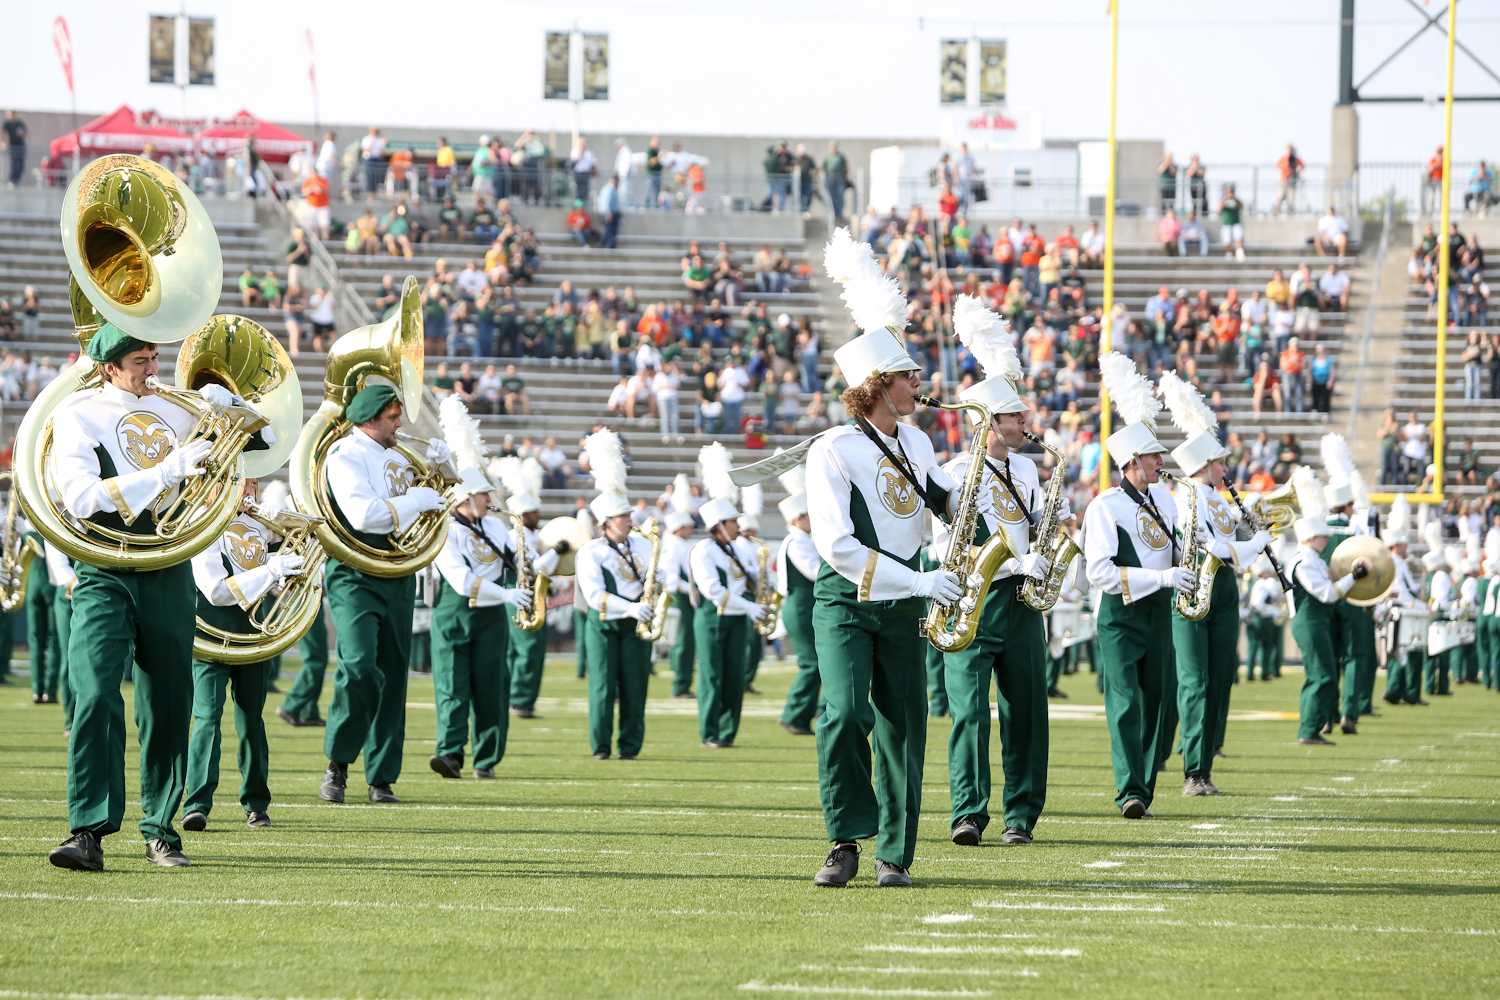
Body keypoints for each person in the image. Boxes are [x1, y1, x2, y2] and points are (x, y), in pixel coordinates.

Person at [46, 325, 272, 871]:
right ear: (109, 368)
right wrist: (166, 469)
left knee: (169, 702)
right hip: (106, 565)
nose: (153, 370)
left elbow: (257, 443)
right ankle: (87, 830)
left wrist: (231, 409)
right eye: (141, 362)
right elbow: (80, 497)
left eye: (154, 358)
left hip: (170, 564)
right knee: (96, 691)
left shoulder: (177, 409)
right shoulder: (79, 416)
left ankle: (161, 829)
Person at [805, 241, 963, 888]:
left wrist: (973, 498)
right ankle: (844, 838)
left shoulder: (921, 441)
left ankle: (895, 854)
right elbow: (837, 547)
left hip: (903, 604)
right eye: (907, 377)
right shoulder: (833, 448)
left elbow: (942, 507)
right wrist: (922, 578)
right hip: (846, 599)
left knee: (905, 725)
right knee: (844, 713)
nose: (918, 385)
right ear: (876, 386)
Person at [942, 296, 1063, 847]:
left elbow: (1034, 525)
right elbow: (956, 542)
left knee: (1027, 712)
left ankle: (1022, 813)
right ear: (989, 420)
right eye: (1014, 416)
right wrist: (1015, 559)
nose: (1024, 423)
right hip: (973, 594)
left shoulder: (1030, 471)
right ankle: (969, 811)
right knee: (969, 712)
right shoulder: (952, 472)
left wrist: (1048, 549)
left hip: (1020, 602)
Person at [318, 384, 450, 805]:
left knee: (394, 675)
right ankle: (338, 763)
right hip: (356, 570)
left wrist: (444, 475)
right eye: (394, 418)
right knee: (358, 667)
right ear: (370, 419)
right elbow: (366, 515)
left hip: (397, 571)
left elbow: (427, 508)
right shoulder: (345, 456)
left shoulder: (396, 457)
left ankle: (382, 776)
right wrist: (416, 499)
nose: (401, 424)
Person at [1083, 352, 1191, 819]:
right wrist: (1164, 576)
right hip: (1122, 615)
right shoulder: (1106, 507)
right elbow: (1100, 573)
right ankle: (1129, 788)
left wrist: (1187, 560)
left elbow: (1173, 553)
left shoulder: (1165, 500)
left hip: (1159, 612)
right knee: (1126, 703)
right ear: (1131, 461)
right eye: (1152, 456)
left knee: (1160, 705)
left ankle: (1143, 788)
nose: (1160, 461)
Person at [1159, 372, 1272, 796]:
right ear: (1204, 465)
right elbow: (1208, 546)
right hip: (1195, 590)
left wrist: (1253, 526)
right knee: (1196, 682)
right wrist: (1254, 544)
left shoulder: (1215, 498)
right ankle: (1192, 770)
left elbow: (1231, 541)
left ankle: (1205, 767)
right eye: (1219, 462)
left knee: (1221, 677)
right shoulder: (1187, 497)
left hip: (1224, 589)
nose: (1226, 468)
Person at [181, 480, 308, 832]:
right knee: (206, 717)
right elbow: (217, 590)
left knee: (252, 718)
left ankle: (256, 802)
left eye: (253, 483)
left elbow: (288, 561)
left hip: (252, 635)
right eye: (241, 483)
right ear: (215, 485)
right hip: (210, 634)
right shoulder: (201, 522)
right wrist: (271, 570)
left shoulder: (258, 527)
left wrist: (287, 535)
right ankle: (197, 803)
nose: (249, 491)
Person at [428, 445, 532, 781]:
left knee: (492, 689)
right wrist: (506, 593)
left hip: (490, 619)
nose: (490, 499)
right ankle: (449, 754)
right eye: (484, 494)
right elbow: (460, 581)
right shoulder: (444, 531)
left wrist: (551, 560)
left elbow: (519, 561)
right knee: (452, 688)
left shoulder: (497, 528)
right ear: (467, 497)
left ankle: (486, 759)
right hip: (454, 613)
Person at [575, 430, 659, 759]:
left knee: (636, 688)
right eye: (623, 517)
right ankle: (600, 747)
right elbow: (596, 596)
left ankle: (630, 746)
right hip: (605, 623)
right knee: (602, 688)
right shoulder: (591, 552)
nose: (629, 520)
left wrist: (658, 582)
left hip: (635, 626)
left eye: (628, 515)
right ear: (606, 522)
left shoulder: (642, 543)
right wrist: (632, 608)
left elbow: (653, 575)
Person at [690, 453, 767, 749]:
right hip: (713, 618)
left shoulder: (740, 548)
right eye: (732, 522)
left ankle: (727, 732)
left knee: (735, 677)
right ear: (718, 525)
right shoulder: (703, 551)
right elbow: (712, 590)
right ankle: (709, 732)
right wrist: (751, 607)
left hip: (736, 619)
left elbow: (750, 580)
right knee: (712, 676)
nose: (738, 526)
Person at [1287, 470, 1364, 746]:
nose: (1325, 540)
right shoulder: (1305, 562)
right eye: (1321, 536)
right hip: (1309, 621)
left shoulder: (1313, 560)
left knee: (1321, 674)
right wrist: (1353, 577)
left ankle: (1312, 727)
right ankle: (1308, 730)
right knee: (1322, 675)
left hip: (1314, 621)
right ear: (1311, 537)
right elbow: (1328, 594)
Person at [498, 462, 563, 719]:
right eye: (534, 512)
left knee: (518, 649)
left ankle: (514, 697)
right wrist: (557, 552)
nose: (539, 515)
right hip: (522, 596)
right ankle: (521, 699)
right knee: (528, 648)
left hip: (526, 595)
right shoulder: (518, 537)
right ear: (524, 515)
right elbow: (534, 567)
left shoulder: (532, 536)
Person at [774, 471, 821, 736]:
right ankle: (795, 714)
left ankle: (803, 713)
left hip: (806, 604)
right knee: (811, 662)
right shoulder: (796, 542)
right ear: (798, 519)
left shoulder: (805, 539)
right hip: (800, 605)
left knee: (816, 662)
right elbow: (813, 571)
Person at [1379, 499, 1426, 706]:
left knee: (1397, 651)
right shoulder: (1395, 562)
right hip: (1401, 611)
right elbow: (1402, 591)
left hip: (1396, 610)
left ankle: (1397, 689)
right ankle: (1399, 689)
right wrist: (1419, 603)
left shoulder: (1396, 562)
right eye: (1404, 544)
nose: (1407, 547)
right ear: (1396, 545)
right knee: (1405, 651)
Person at [1245, 559, 1285, 682]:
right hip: (1264, 619)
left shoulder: (1256, 584)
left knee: (1253, 647)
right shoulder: (1269, 583)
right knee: (1266, 647)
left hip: (1253, 617)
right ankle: (1265, 673)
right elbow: (1261, 603)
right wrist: (1275, 611)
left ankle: (1250, 674)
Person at [596, 175, 622, 249]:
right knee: (610, 230)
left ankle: (606, 244)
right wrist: (608, 213)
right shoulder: (609, 189)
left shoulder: (610, 189)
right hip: (611, 213)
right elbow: (606, 202)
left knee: (610, 230)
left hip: (612, 213)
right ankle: (606, 244)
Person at [2, 110, 26, 187]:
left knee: (20, 165)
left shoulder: (19, 123)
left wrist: (22, 134)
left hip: (21, 146)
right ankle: (12, 180)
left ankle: (17, 181)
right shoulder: (7, 123)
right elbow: (2, 132)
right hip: (13, 146)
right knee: (14, 163)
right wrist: (2, 142)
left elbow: (26, 133)